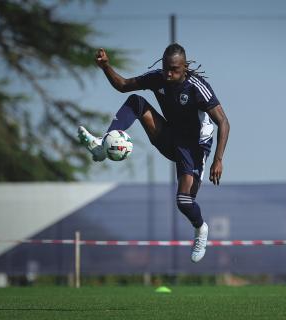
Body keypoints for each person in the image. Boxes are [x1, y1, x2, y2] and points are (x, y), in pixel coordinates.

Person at [78, 43, 230, 263]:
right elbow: (123, 85)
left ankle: (201, 229)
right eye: (166, 67)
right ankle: (103, 145)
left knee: (184, 201)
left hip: (194, 148)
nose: (169, 73)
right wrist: (106, 67)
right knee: (136, 102)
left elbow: (223, 122)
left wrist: (218, 159)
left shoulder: (197, 86)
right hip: (169, 136)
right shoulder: (158, 77)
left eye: (175, 69)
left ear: (185, 67)